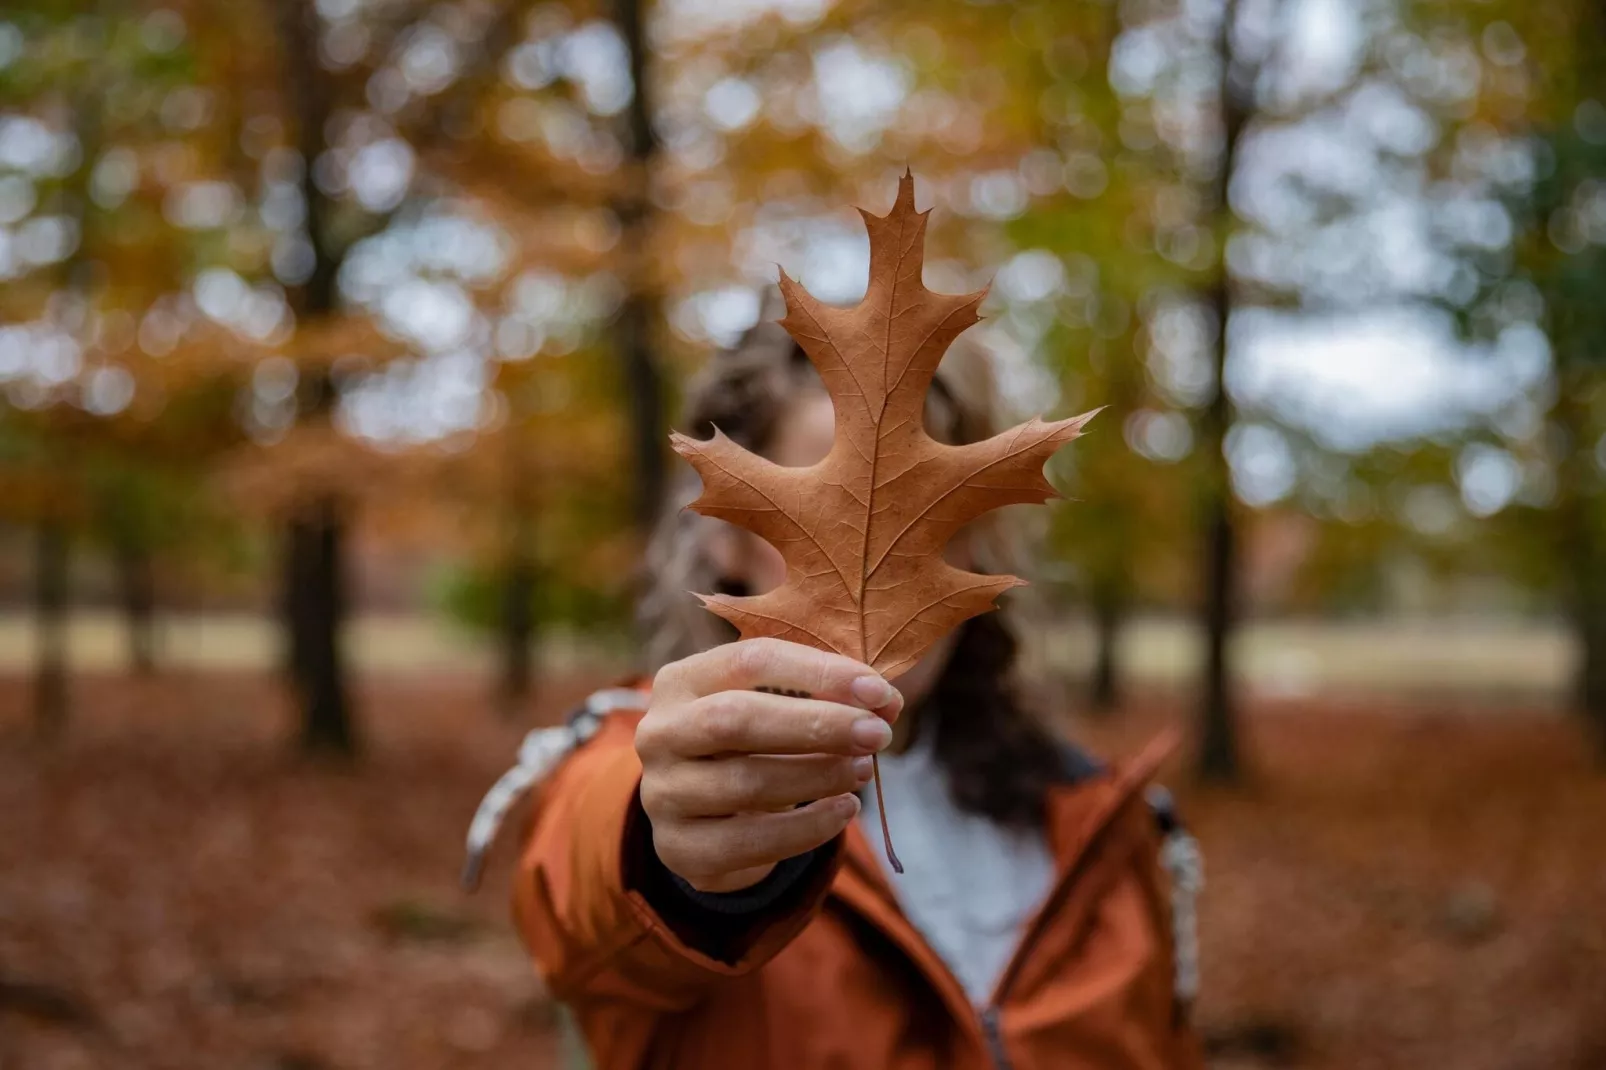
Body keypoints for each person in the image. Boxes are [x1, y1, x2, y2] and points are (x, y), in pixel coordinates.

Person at [470, 321, 1204, 1069]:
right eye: (839, 510)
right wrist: (683, 861)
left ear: (981, 541)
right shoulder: (633, 767)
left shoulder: (1105, 828)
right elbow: (584, 891)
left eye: (937, 513)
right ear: (724, 532)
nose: (893, 560)